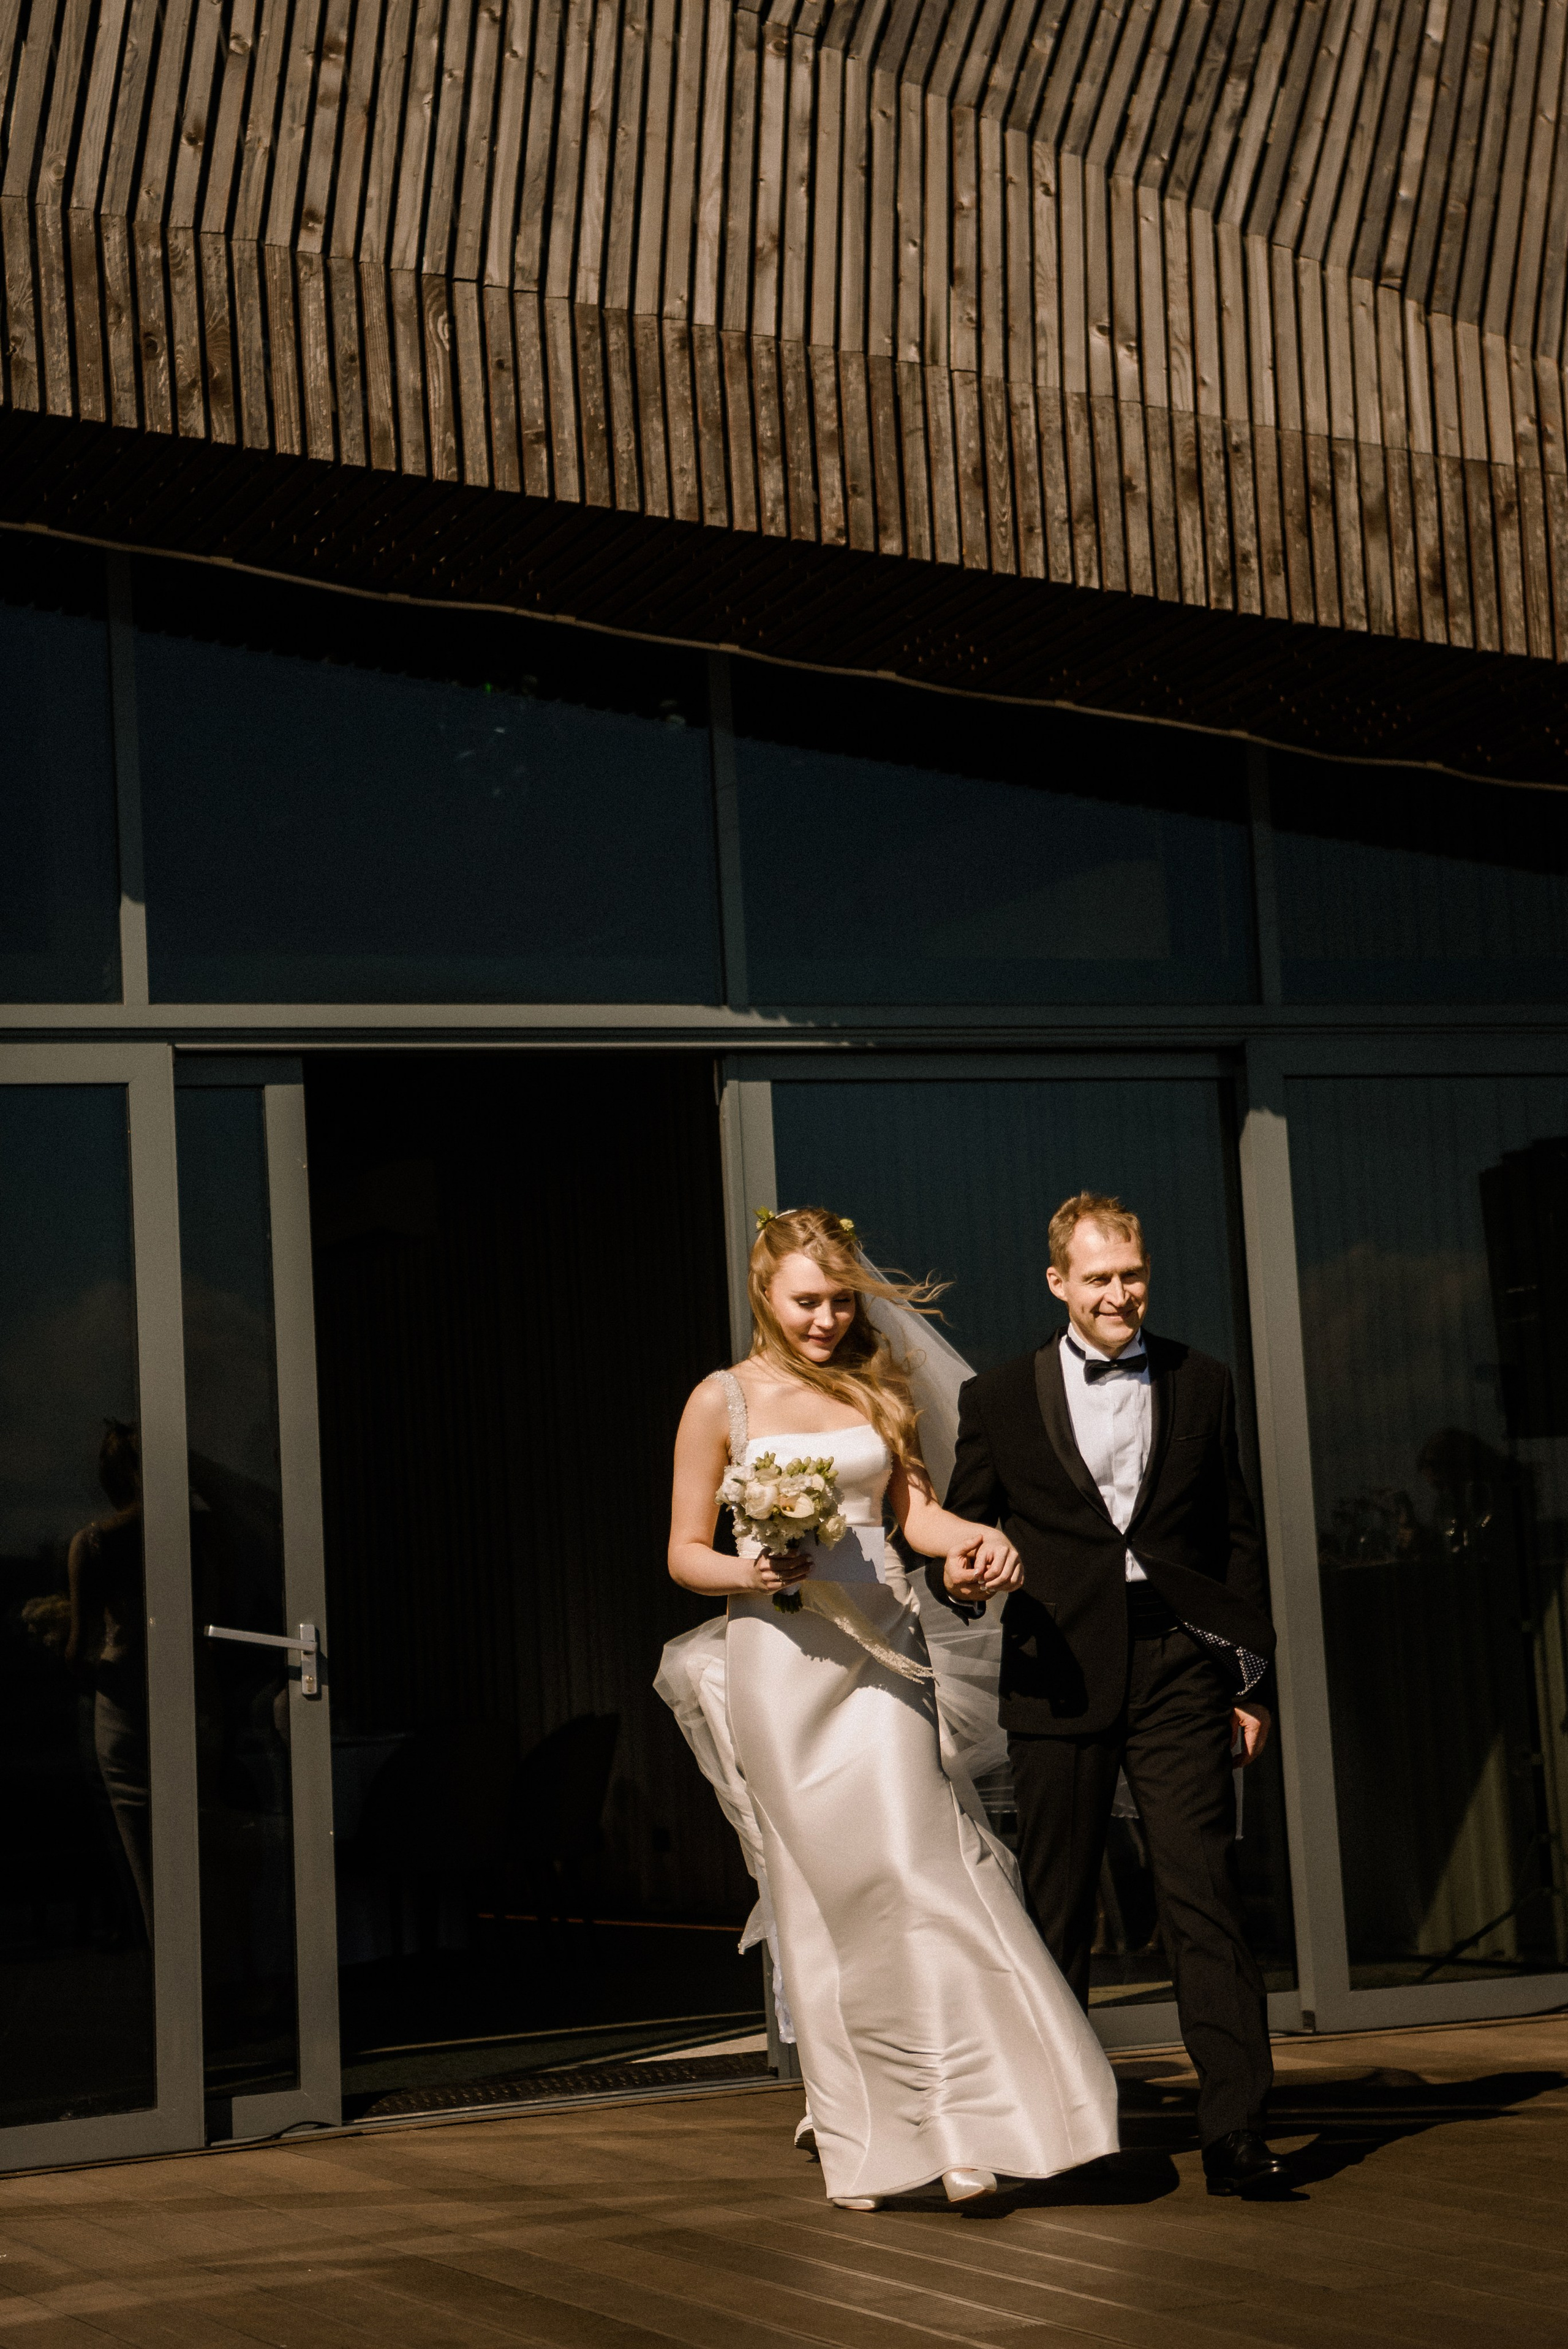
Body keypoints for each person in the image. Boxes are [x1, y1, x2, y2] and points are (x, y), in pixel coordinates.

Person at [662, 1206, 1119, 2209]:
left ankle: (970, 2119)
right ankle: (862, 2125)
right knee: (826, 1901)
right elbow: (683, 1552)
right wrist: (752, 1563)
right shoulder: (723, 1400)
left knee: (923, 1875)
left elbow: (912, 1516)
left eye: (839, 1301)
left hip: (883, 1661)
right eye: (807, 1302)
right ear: (765, 1296)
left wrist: (972, 1541)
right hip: (782, 1666)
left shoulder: (878, 1385)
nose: (826, 1319)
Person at [935, 1191, 1290, 2199]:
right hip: (1057, 1669)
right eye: (1098, 1277)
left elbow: (1236, 1543)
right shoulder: (1000, 1397)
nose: (1119, 1293)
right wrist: (963, 1574)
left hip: (1179, 1662)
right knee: (1055, 1911)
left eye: (1130, 1273)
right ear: (1059, 1283)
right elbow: (960, 1536)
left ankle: (1236, 2133)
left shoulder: (1203, 1380)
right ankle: (1059, 2133)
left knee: (1202, 1897)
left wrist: (1249, 1679)